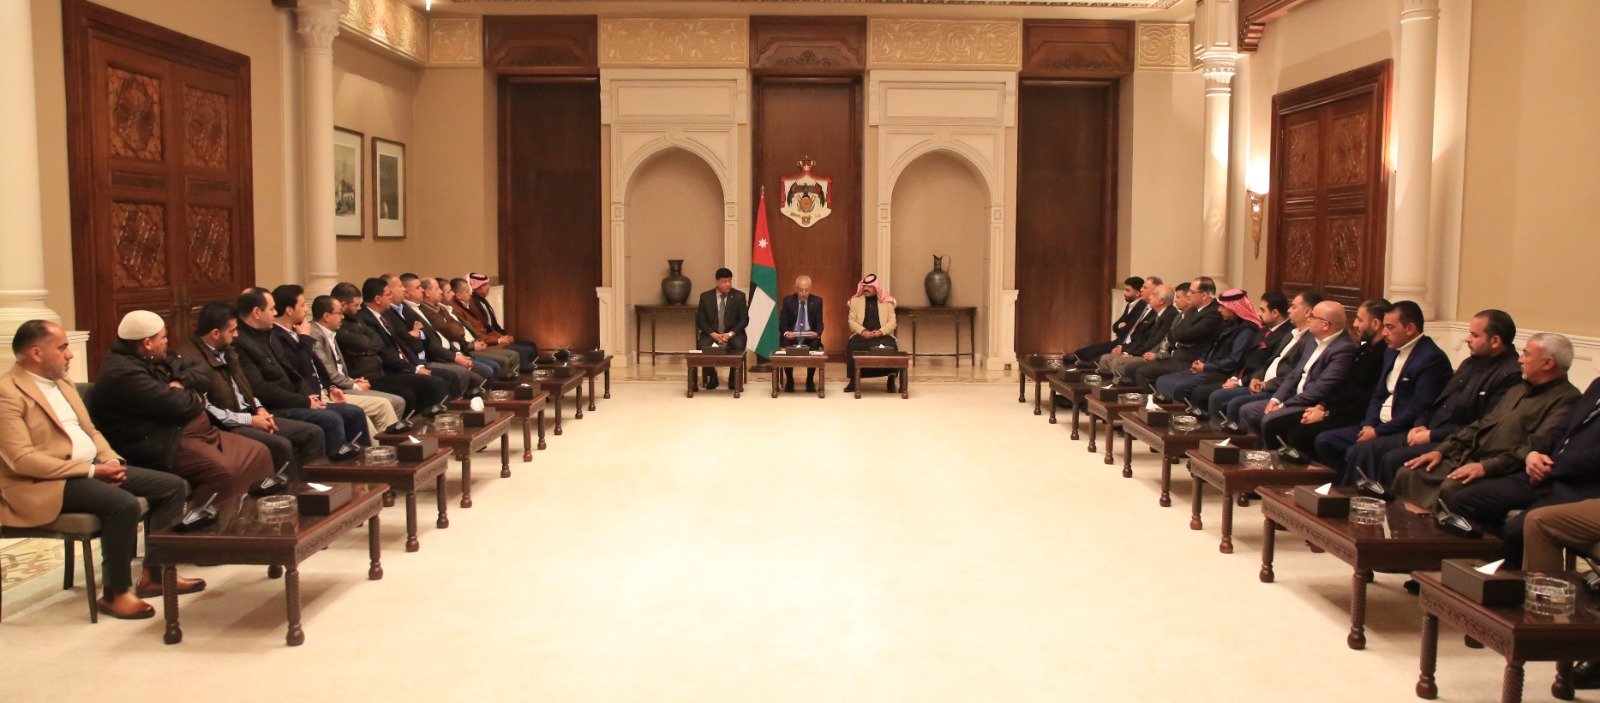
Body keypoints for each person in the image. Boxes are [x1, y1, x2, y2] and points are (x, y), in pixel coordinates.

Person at [1, 320, 204, 620]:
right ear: (36, 353)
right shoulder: (7, 393)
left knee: (171, 486)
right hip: (43, 482)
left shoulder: (62, 382)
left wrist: (112, 461)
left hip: (91, 468)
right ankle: (115, 593)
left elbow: (91, 431)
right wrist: (92, 471)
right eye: (62, 348)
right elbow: (22, 460)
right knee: (122, 504)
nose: (70, 354)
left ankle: (157, 574)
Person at [91, 310, 274, 507]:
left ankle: (251, 518)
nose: (166, 341)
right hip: (163, 443)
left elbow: (202, 372)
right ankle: (208, 524)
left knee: (259, 452)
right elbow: (181, 405)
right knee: (223, 473)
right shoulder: (123, 373)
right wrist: (196, 396)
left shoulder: (155, 355)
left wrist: (181, 382)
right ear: (147, 343)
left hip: (198, 434)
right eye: (163, 337)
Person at [1389, 333, 1581, 510]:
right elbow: (1481, 424)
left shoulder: (1566, 399)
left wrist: (1486, 467)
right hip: (1468, 454)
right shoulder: (1519, 389)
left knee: (1451, 487)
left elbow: (1534, 445)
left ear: (1547, 363)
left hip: (1502, 469)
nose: (1520, 359)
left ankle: (1431, 535)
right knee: (1409, 473)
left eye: (1527, 354)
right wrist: (1441, 450)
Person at [1344, 309, 1522, 486]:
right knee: (1363, 450)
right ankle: (1350, 498)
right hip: (1428, 429)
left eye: (1475, 335)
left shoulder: (1509, 375)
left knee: (1392, 459)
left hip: (1454, 440)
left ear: (1495, 341)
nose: (1467, 339)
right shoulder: (1470, 363)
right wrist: (1420, 423)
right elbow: (1437, 401)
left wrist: (1432, 434)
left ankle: (1384, 502)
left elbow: (1483, 426)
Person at [1444, 366, 1600, 568]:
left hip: (1579, 486)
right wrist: (1534, 453)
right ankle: (1478, 568)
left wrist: (1550, 466)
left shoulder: (1567, 395)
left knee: (1518, 528)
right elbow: (1561, 429)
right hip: (1541, 473)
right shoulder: (1597, 385)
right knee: (1462, 501)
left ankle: (1506, 578)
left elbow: (1595, 459)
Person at [172, 302, 325, 480]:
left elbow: (245, 387)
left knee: (312, 433)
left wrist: (259, 408)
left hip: (251, 413)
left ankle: (314, 488)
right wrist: (250, 420)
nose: (236, 335)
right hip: (227, 424)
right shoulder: (190, 360)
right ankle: (289, 493)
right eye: (232, 330)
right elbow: (207, 409)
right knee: (280, 445)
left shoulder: (228, 351)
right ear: (215, 334)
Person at [1316, 300, 1452, 481]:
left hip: (1401, 428)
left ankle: (1352, 493)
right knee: (1325, 440)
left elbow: (1419, 407)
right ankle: (1336, 486)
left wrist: (1378, 432)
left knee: (1359, 451)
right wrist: (1369, 425)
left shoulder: (1431, 358)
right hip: (1377, 424)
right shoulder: (1391, 351)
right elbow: (1378, 394)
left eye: (1390, 327)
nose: (1384, 332)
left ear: (1410, 329)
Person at [233, 287, 368, 460]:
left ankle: (362, 466)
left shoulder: (268, 335)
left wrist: (315, 394)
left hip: (294, 399)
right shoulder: (241, 343)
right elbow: (261, 389)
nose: (275, 313)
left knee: (353, 412)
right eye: (272, 309)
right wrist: (304, 401)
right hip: (276, 406)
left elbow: (293, 373)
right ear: (257, 312)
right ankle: (334, 473)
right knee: (331, 419)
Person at [1255, 298, 1390, 460]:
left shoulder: (1375, 354)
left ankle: (1299, 473)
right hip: (1328, 405)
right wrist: (1322, 405)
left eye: (1360, 320)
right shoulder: (1364, 349)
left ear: (1375, 324)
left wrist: (1325, 413)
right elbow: (1340, 386)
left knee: (1294, 431)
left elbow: (1358, 395)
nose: (1354, 324)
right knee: (1272, 422)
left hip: (1349, 414)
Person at [1237, 301, 1356, 443]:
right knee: (1247, 410)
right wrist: (1276, 399)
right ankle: (1256, 451)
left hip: (1311, 404)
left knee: (1270, 419)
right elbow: (1294, 374)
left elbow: (1321, 388)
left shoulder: (1343, 349)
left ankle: (1273, 455)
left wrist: (1284, 405)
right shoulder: (1312, 341)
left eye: (1313, 317)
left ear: (1325, 325)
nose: (1308, 319)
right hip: (1292, 397)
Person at [331, 281, 450, 418]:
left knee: (439, 380)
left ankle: (436, 421)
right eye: (356, 304)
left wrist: (416, 366)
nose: (359, 308)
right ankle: (419, 425)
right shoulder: (356, 320)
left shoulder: (372, 317)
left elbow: (385, 342)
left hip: (385, 369)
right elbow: (365, 344)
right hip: (373, 374)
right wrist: (413, 368)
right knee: (415, 391)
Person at [1210, 291, 1321, 431]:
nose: (1288, 310)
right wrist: (1256, 377)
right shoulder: (1291, 334)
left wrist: (1264, 384)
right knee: (1216, 395)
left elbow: (1293, 374)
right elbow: (1270, 361)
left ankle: (1237, 441)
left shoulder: (1310, 340)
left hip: (1276, 389)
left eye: (1293, 307)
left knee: (1235, 403)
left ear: (1307, 312)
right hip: (1260, 382)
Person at [306, 294, 407, 434]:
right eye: (339, 313)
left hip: (343, 384)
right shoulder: (314, 334)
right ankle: (383, 443)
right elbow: (328, 371)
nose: (342, 317)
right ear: (327, 316)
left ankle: (385, 440)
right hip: (334, 390)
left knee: (398, 402)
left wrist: (353, 381)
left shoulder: (330, 332)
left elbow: (339, 367)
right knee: (385, 404)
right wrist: (354, 384)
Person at [1189, 291, 1293, 419]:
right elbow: (1244, 359)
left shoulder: (1285, 335)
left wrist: (1239, 382)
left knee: (1216, 396)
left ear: (1275, 313)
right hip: (1242, 377)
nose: (1259, 313)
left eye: (1262, 310)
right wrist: (1234, 378)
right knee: (1199, 389)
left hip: (1256, 382)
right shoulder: (1264, 330)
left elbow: (1265, 365)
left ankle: (1220, 430)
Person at [1152, 288, 1262, 404]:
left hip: (1223, 373)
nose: (1219, 309)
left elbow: (1235, 360)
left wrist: (1206, 367)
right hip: (1210, 367)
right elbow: (1212, 347)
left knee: (1181, 386)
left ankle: (1181, 414)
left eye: (1223, 306)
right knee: (1163, 380)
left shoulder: (1247, 330)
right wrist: (1201, 361)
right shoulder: (1227, 324)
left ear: (1234, 308)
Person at [384, 274, 478, 399]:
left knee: (481, 371)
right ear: (389, 290)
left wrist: (456, 354)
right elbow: (405, 340)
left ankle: (460, 404)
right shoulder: (389, 313)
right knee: (461, 374)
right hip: (420, 360)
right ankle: (455, 407)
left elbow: (429, 334)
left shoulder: (406, 308)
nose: (403, 289)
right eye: (400, 286)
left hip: (440, 353)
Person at [1133, 277, 1223, 391]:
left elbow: (1187, 336)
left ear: (1204, 295)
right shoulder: (1193, 310)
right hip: (1177, 356)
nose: (1188, 294)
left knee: (1143, 372)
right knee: (1136, 368)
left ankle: (1153, 400)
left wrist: (1180, 337)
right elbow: (1173, 333)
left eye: (1192, 292)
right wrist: (1179, 338)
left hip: (1191, 361)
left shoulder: (1214, 313)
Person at [426, 276, 521, 379]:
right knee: (495, 366)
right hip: (464, 348)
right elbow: (457, 332)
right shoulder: (440, 311)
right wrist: (492, 341)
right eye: (449, 292)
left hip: (475, 342)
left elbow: (481, 326)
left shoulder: (448, 308)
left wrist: (497, 337)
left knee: (514, 354)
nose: (452, 294)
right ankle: (503, 386)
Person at [1106, 282, 1189, 385]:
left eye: (1153, 294)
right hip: (1148, 352)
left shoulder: (1170, 315)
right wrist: (1129, 351)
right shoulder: (1167, 315)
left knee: (1120, 364)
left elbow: (1159, 340)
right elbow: (1145, 338)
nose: (1150, 297)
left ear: (1161, 301)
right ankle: (1115, 388)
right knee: (1110, 359)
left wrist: (1153, 355)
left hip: (1161, 356)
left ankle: (1120, 390)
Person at [452, 273, 539, 368]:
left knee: (529, 346)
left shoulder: (471, 303)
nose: (470, 293)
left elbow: (488, 326)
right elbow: (476, 332)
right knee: (521, 352)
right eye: (467, 291)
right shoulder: (460, 308)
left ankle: (533, 368)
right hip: (483, 342)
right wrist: (498, 340)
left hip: (487, 339)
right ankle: (525, 373)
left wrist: (502, 336)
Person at [1068, 276, 1148, 366]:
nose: (1124, 293)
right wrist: (1119, 326)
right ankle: (1074, 358)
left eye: (1127, 290)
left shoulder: (1141, 307)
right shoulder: (1130, 305)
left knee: (1097, 357)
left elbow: (1128, 330)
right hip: (1118, 341)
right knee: (1086, 351)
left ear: (1137, 293)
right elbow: (1115, 327)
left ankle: (1083, 364)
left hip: (1124, 344)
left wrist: (1120, 331)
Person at [843, 274, 900, 393]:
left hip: (882, 336)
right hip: (862, 335)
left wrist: (880, 332)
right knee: (852, 345)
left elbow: (892, 322)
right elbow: (852, 321)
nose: (865, 288)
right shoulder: (855, 301)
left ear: (876, 287)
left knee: (891, 346)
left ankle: (891, 378)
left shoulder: (886, 301)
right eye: (864, 286)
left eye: (869, 286)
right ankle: (853, 379)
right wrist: (863, 331)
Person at [694, 267, 749, 390]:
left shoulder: (739, 296)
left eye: (730, 281)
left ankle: (733, 379)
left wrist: (730, 334)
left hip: (733, 334)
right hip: (712, 334)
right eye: (724, 281)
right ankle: (712, 376)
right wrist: (713, 334)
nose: (728, 284)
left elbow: (744, 319)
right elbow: (700, 320)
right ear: (717, 282)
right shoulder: (705, 297)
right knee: (703, 346)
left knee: (739, 344)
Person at [777, 274, 824, 393]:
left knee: (815, 343)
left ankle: (810, 380)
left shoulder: (817, 301)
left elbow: (820, 323)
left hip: (809, 336)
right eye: (801, 290)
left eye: (806, 290)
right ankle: (789, 380)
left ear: (810, 288)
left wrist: (817, 333)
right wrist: (786, 333)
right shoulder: (788, 301)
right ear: (795, 288)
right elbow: (782, 324)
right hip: (792, 336)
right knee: (785, 343)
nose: (804, 293)